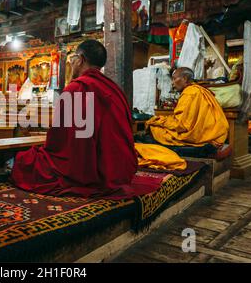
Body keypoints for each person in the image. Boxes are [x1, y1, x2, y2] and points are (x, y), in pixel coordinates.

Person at [10, 40, 161, 199]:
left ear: (80, 60)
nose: (72, 64)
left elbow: (58, 144)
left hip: (88, 173)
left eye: (73, 59)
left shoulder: (76, 89)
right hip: (121, 170)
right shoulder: (115, 89)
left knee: (24, 161)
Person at [143, 67, 229, 156]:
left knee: (154, 128)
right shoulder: (200, 90)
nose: (172, 83)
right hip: (216, 135)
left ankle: (201, 151)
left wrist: (158, 120)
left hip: (199, 136)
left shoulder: (189, 93)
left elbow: (182, 125)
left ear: (184, 79)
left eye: (174, 79)